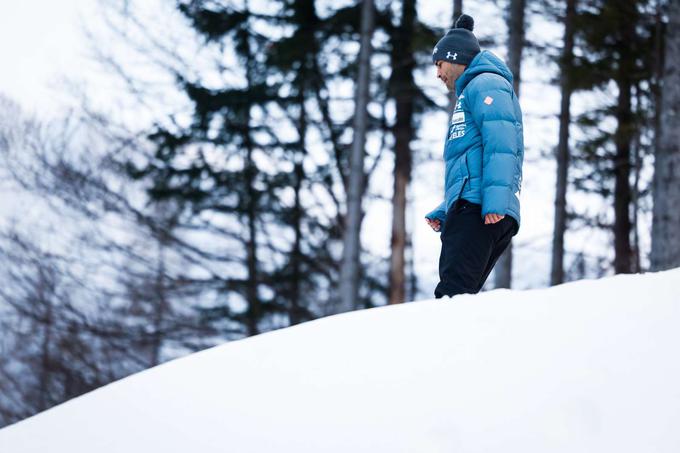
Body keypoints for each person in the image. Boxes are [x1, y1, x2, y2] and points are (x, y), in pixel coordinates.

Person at [425, 14, 524, 298]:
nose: (438, 73)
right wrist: (447, 209)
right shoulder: (471, 92)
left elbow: (503, 144)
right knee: (460, 295)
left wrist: (494, 203)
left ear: (455, 58)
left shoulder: (486, 84)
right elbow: (471, 162)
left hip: (481, 210)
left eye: (439, 64)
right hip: (474, 207)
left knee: (452, 295)